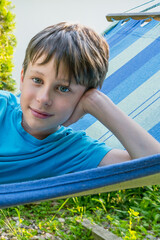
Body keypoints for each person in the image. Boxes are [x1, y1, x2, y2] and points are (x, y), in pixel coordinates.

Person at [0, 22, 160, 184]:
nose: (43, 98)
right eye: (37, 80)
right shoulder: (2, 107)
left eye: (63, 88)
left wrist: (97, 102)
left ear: (83, 96)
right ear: (22, 78)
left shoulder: (73, 150)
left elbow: (155, 166)